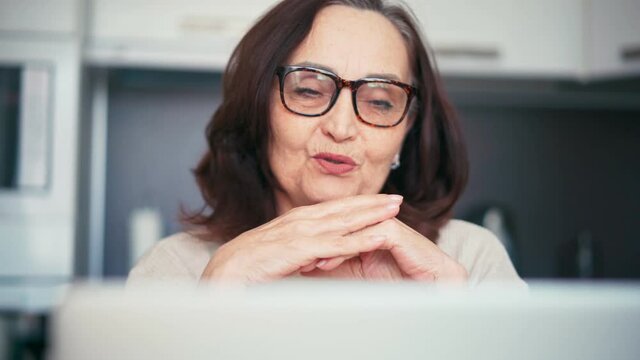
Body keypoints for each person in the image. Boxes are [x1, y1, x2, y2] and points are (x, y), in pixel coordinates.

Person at [128, 0, 525, 286]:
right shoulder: (175, 270)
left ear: (407, 127)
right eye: (308, 91)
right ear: (259, 110)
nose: (341, 126)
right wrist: (213, 297)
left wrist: (455, 314)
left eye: (380, 101)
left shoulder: (469, 260)